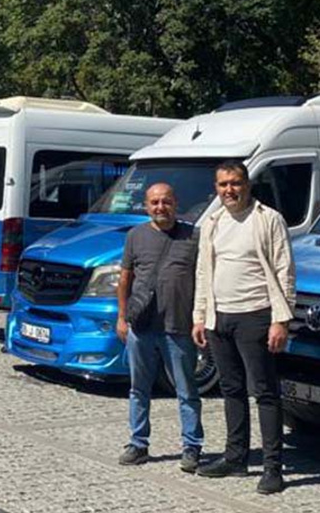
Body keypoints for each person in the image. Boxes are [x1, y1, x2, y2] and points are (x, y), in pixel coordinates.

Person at [192, 160, 295, 495]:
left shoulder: (267, 219)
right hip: (220, 317)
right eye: (223, 185)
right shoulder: (213, 222)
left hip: (256, 314)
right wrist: (200, 316)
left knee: (264, 391)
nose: (229, 190)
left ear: (247, 184)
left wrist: (281, 319)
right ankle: (235, 457)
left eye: (235, 183)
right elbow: (203, 272)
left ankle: (272, 467)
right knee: (231, 389)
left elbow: (285, 271)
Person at [115, 182, 205, 472]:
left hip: (179, 327)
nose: (160, 207)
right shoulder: (135, 236)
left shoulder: (193, 236)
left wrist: (201, 319)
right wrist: (121, 316)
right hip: (142, 326)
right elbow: (125, 279)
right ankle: (138, 443)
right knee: (138, 389)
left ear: (175, 204)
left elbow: (204, 279)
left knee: (187, 391)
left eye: (165, 201)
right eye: (154, 202)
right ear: (146, 206)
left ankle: (192, 446)